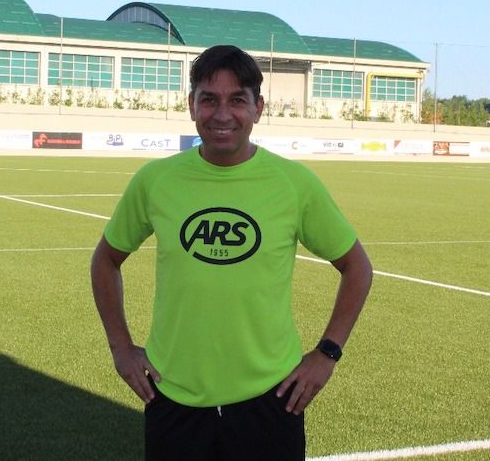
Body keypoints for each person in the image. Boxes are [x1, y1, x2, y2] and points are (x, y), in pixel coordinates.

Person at [90, 44, 373, 460]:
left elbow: (357, 267)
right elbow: (105, 259)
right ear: (191, 104)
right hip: (173, 396)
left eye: (237, 100)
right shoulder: (156, 181)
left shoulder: (293, 184)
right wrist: (120, 348)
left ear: (259, 107)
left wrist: (327, 353)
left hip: (272, 399)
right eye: (209, 99)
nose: (222, 114)